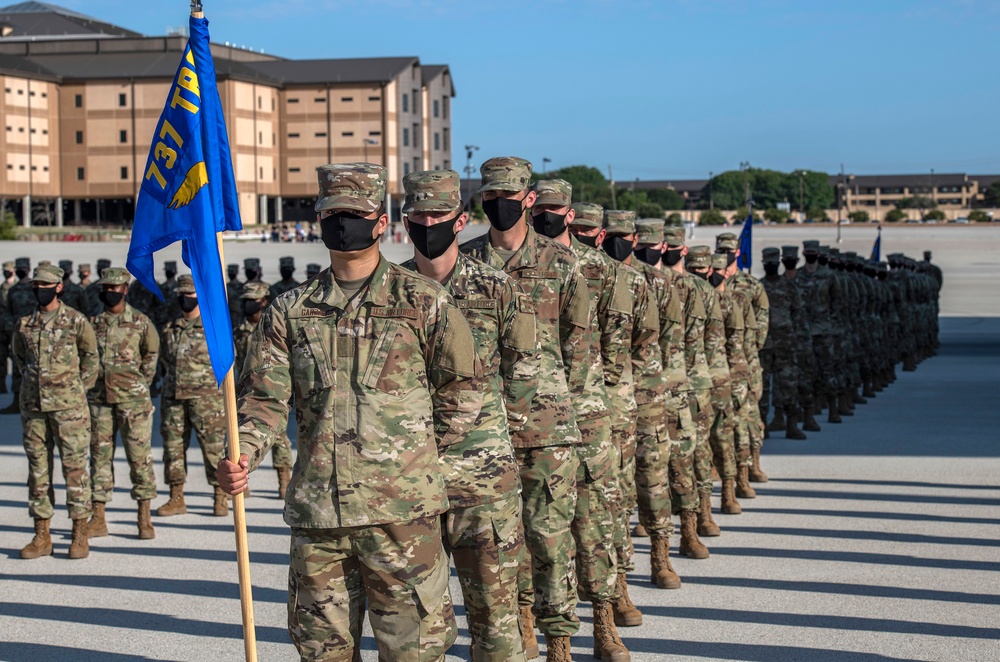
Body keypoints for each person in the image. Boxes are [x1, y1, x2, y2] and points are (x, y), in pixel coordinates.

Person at [219, 163, 480, 661]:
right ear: (319, 222)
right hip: (321, 520)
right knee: (323, 654)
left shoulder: (425, 302)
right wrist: (244, 455)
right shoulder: (288, 311)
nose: (343, 224)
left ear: (381, 223)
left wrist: (422, 470)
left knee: (413, 654)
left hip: (403, 521)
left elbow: (463, 394)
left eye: (355, 214)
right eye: (332, 214)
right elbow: (264, 403)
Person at [400, 168, 537, 662]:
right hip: (410, 481)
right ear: (405, 221)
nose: (428, 223)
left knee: (497, 623)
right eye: (419, 215)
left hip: (486, 480)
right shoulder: (389, 292)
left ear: (460, 221)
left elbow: (524, 379)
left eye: (439, 214)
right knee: (419, 625)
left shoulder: (499, 289)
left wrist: (519, 463)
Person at [459, 156, 592, 660]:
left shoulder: (564, 266)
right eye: (489, 198)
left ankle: (561, 638)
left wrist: (564, 412)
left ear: (529, 199)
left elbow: (579, 350)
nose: (498, 205)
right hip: (484, 432)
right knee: (497, 541)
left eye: (507, 198)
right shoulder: (466, 262)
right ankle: (521, 625)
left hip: (547, 427)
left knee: (551, 537)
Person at [537, 181, 642, 659]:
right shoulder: (485, 265)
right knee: (532, 524)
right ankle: (532, 625)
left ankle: (604, 611)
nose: (546, 214)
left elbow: (621, 348)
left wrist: (606, 403)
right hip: (523, 417)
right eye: (539, 206)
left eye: (554, 208)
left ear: (570, 211)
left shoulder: (602, 269)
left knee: (597, 514)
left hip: (591, 408)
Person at [595, 209, 667, 631]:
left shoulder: (633, 281)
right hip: (544, 413)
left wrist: (640, 398)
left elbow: (647, 343)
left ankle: (624, 582)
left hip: (621, 402)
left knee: (618, 498)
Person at [14, 264, 98, 560]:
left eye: (46, 285)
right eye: (36, 285)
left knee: (75, 471)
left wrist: (78, 389)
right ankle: (42, 534)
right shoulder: (25, 323)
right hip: (34, 408)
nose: (40, 289)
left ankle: (79, 532)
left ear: (59, 287)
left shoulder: (75, 321)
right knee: (38, 472)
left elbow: (91, 357)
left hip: (69, 410)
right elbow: (20, 357)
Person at [87, 268, 159, 540]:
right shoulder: (92, 322)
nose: (109, 292)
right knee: (99, 458)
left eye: (114, 288)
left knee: (139, 458)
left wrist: (140, 385)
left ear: (125, 290)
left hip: (133, 403)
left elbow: (150, 356)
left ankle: (144, 517)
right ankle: (98, 516)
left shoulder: (140, 322)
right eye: (105, 287)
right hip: (99, 401)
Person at [155, 274, 229, 518]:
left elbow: (226, 362)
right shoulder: (169, 328)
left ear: (199, 296)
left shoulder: (212, 328)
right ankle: (176, 497)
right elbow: (164, 359)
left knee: (213, 449)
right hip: (173, 397)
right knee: (173, 449)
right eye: (181, 295)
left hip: (206, 399)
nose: (185, 299)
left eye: (190, 294)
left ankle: (220, 496)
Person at [660, 226, 712, 558]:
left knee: (683, 464)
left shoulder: (696, 289)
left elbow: (702, 342)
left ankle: (690, 530)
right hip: (644, 388)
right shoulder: (643, 281)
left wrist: (697, 389)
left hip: (682, 386)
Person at [232, 281, 293, 499]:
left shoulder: (274, 327)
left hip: (272, 389)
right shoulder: (239, 331)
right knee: (239, 435)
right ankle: (242, 481)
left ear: (264, 301)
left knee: (279, 438)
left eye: (253, 301)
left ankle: (284, 480)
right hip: (246, 391)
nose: (248, 304)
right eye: (245, 300)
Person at [0, 259, 15, 394]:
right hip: (2, 327)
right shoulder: (1, 287)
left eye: (8, 271)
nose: (5, 273)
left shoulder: (17, 287)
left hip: (15, 327)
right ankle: (2, 385)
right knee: (1, 355)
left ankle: (17, 389)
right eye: (4, 271)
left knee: (15, 356)